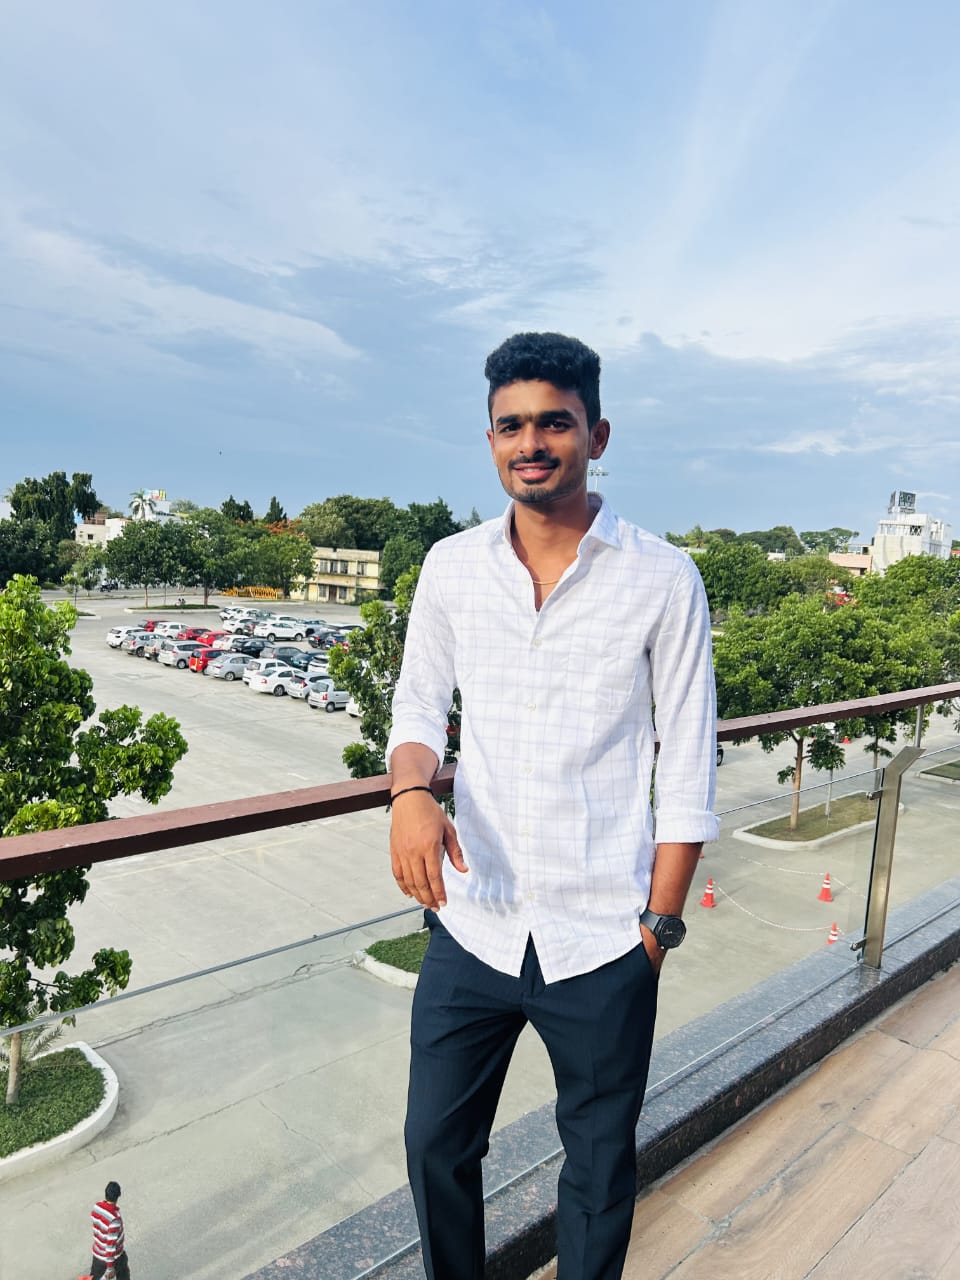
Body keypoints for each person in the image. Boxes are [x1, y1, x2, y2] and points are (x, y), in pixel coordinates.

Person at [386, 332, 718, 1280]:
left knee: (599, 1172)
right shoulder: (452, 566)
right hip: (474, 924)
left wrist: (657, 929)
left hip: (604, 937)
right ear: (491, 439)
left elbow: (687, 765)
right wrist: (410, 792)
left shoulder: (663, 578)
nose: (531, 443)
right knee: (434, 1147)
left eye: (554, 423)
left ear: (596, 435)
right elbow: (418, 706)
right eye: (511, 426)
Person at [89, 1180, 130, 1279]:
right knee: (123, 1275)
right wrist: (110, 1268)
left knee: (95, 1277)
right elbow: (110, 1246)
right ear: (118, 1196)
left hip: (98, 1254)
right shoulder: (114, 1219)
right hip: (114, 1258)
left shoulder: (97, 1207)